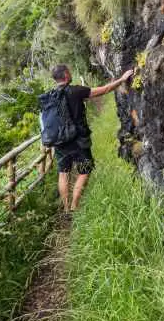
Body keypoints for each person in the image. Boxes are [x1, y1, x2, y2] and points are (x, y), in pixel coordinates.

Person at [50, 64, 133, 214]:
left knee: (63, 173)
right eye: (69, 71)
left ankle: (66, 207)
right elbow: (104, 90)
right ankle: (75, 206)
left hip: (60, 141)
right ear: (66, 75)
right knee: (84, 170)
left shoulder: (50, 96)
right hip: (79, 140)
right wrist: (121, 79)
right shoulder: (76, 91)